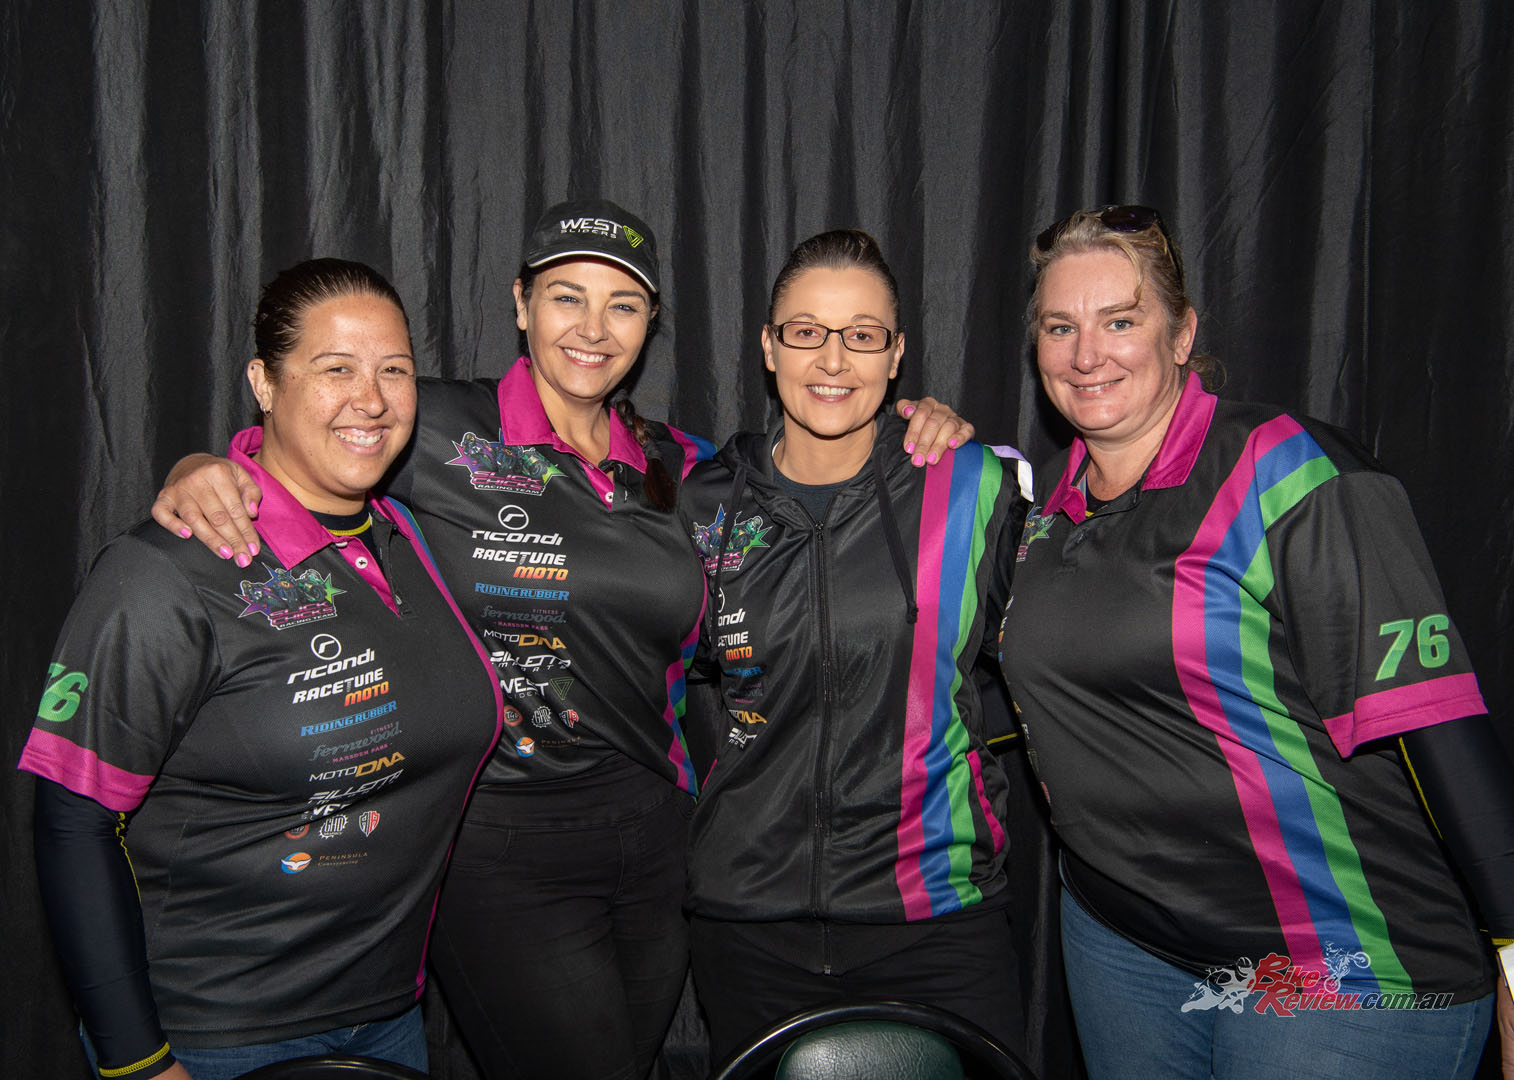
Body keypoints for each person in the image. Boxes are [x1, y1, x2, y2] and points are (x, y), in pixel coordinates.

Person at [149, 201, 975, 1080]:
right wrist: (207, 468)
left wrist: (916, 426)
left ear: (649, 324)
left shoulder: (682, 464)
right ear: (521, 303)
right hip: (500, 842)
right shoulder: (435, 428)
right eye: (566, 297)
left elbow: (809, 475)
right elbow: (309, 447)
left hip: (658, 841)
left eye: (622, 305)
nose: (592, 327)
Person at [998, 204, 1514, 1079]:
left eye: (1120, 321)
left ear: (1182, 333)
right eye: (1060, 327)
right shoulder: (1048, 503)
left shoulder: (1292, 472)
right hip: (1126, 945)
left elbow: (1436, 722)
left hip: (1335, 961)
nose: (1086, 355)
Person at [19, 259, 505, 1080]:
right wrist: (138, 1061)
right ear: (264, 382)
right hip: (216, 1036)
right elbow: (72, 823)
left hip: (387, 1018)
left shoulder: (412, 538)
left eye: (394, 370)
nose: (371, 399)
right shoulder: (164, 572)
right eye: (336, 369)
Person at [677, 229, 1033, 1063]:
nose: (833, 360)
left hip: (938, 922)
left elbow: (1046, 667)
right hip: (750, 923)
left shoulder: (971, 485)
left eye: (862, 335)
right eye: (806, 331)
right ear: (769, 347)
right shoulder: (703, 504)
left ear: (896, 354)